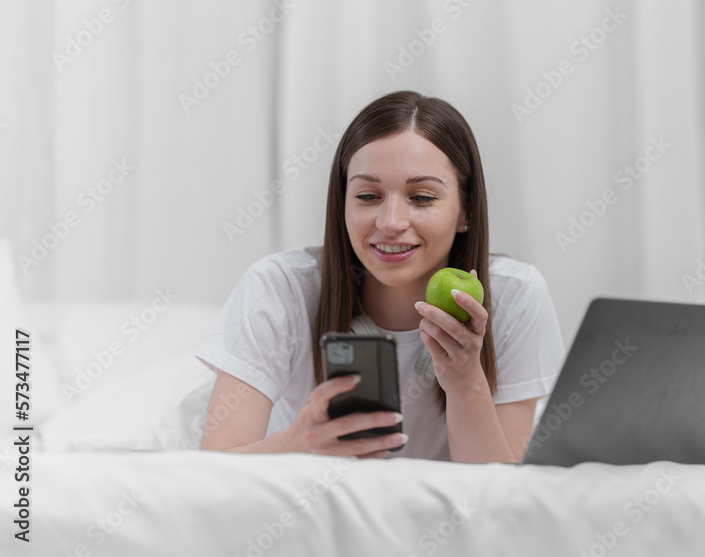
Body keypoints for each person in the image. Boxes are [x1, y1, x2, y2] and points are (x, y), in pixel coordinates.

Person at [195, 90, 565, 462]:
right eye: (368, 196)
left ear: (465, 211)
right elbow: (214, 468)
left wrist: (465, 379)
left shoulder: (516, 295)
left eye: (422, 198)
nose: (390, 223)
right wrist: (296, 445)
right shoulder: (279, 288)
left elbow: (500, 490)